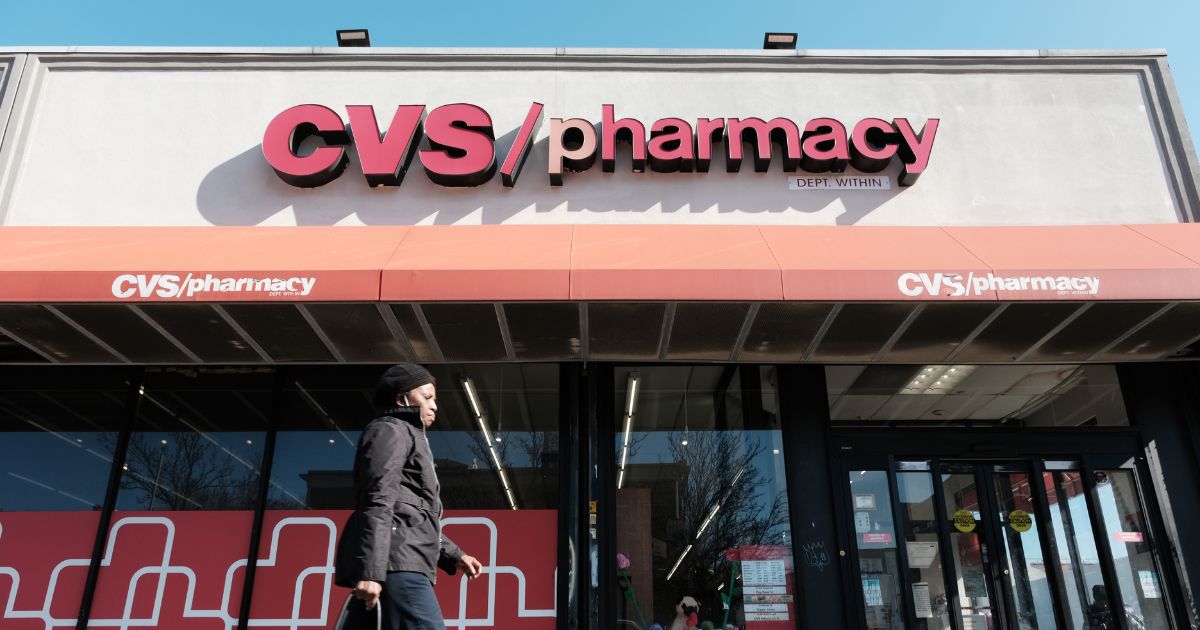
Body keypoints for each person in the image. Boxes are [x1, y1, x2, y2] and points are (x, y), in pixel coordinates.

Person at [335, 363, 484, 630]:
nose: (435, 405)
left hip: (397, 560)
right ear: (401, 398)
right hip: (397, 565)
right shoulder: (390, 430)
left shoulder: (409, 435)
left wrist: (454, 555)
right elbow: (377, 499)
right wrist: (371, 571)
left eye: (434, 398)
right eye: (427, 397)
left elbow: (413, 514)